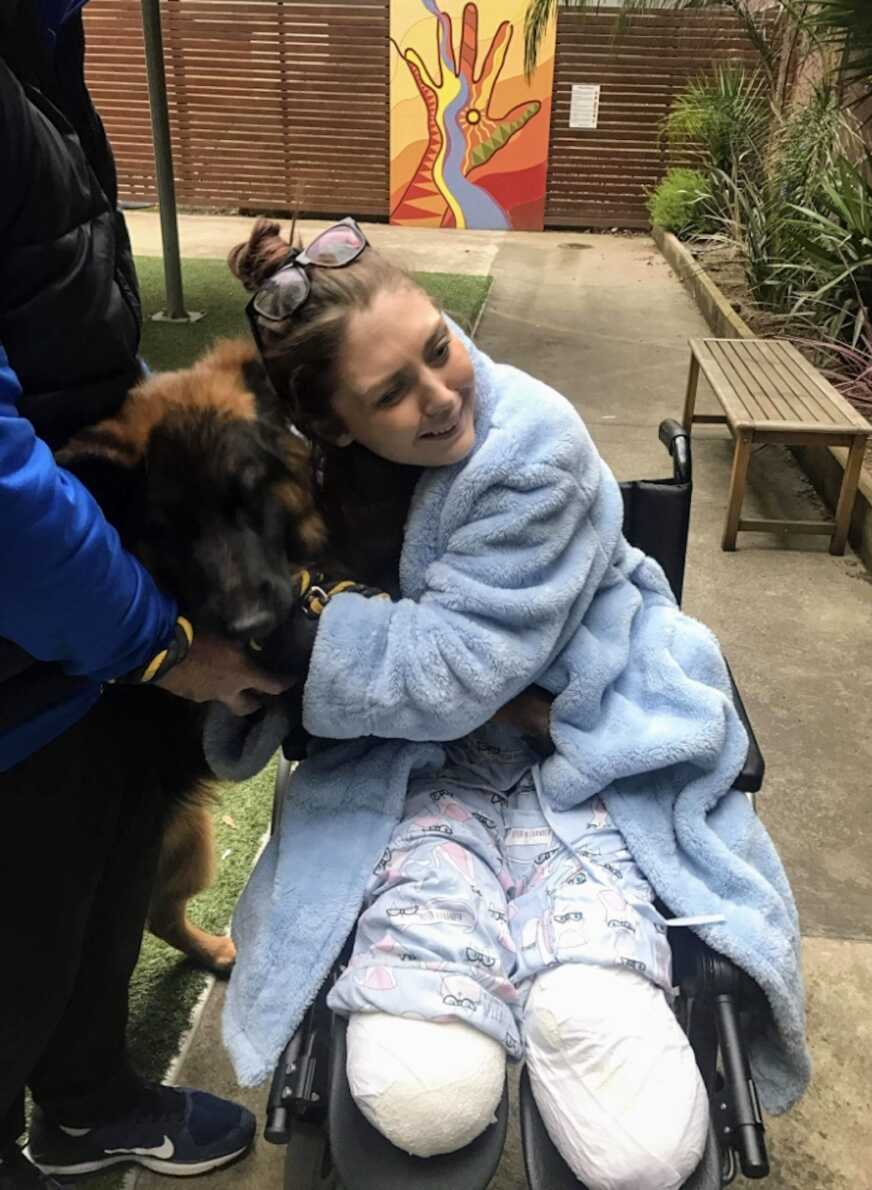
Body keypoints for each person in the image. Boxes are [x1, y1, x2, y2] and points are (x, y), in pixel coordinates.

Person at [207, 217, 809, 1190]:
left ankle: (592, 982)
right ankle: (428, 977)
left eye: (440, 346)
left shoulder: (533, 448)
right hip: (427, 746)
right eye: (391, 392)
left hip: (575, 714)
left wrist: (287, 644)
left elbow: (445, 669)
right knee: (425, 1074)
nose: (442, 394)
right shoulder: (297, 472)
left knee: (593, 904)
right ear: (331, 423)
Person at [0, 4, 283, 1184]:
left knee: (103, 867)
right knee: (22, 928)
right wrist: (155, 646)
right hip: (39, 632)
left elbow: (59, 338)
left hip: (82, 634)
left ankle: (86, 1102)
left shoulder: (38, 40)